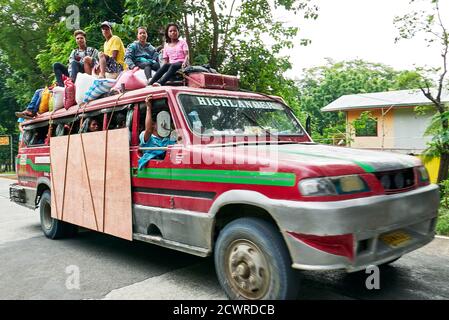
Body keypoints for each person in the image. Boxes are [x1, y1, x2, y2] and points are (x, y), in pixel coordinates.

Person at [138, 95, 176, 170]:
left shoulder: (168, 139)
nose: (165, 124)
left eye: (167, 122)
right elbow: (148, 130)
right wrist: (148, 108)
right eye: (161, 122)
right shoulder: (147, 137)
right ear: (153, 125)